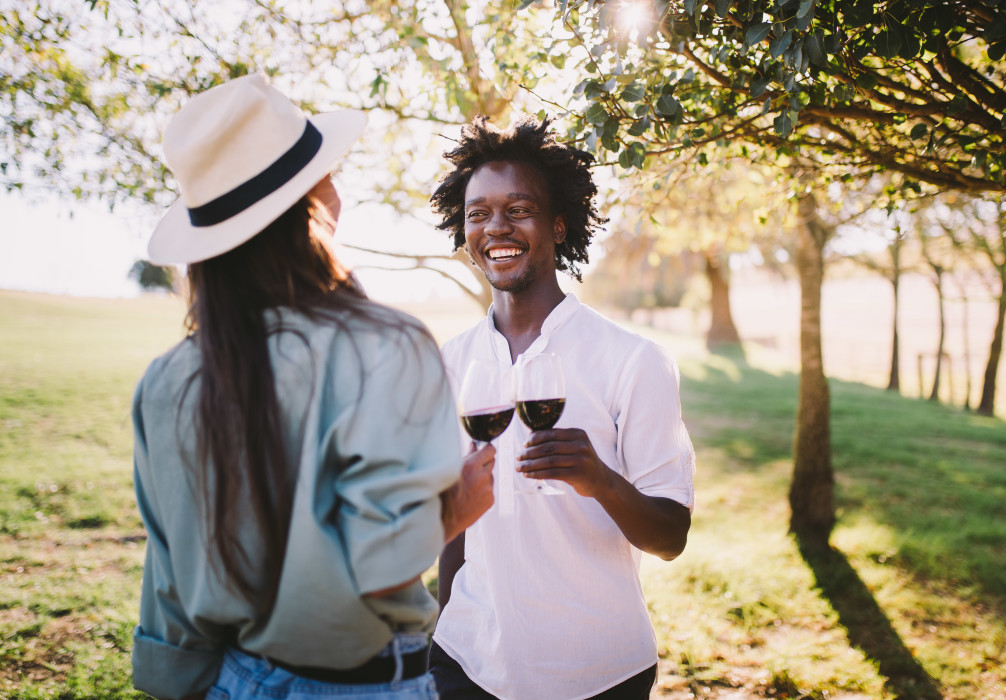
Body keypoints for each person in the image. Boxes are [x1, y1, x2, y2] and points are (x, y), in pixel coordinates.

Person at [130, 73, 494, 700]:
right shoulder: (387, 346)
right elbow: (382, 567)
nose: (338, 188)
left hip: (228, 679)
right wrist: (456, 508)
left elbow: (168, 578)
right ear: (312, 206)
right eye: (328, 174)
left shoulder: (167, 380)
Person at [427, 116, 696, 699]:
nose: (495, 227)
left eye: (517, 209)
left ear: (557, 225)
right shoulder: (451, 362)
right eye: (478, 213)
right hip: (467, 663)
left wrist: (598, 479)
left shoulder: (634, 361)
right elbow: (456, 519)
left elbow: (671, 537)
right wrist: (445, 625)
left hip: (597, 673)